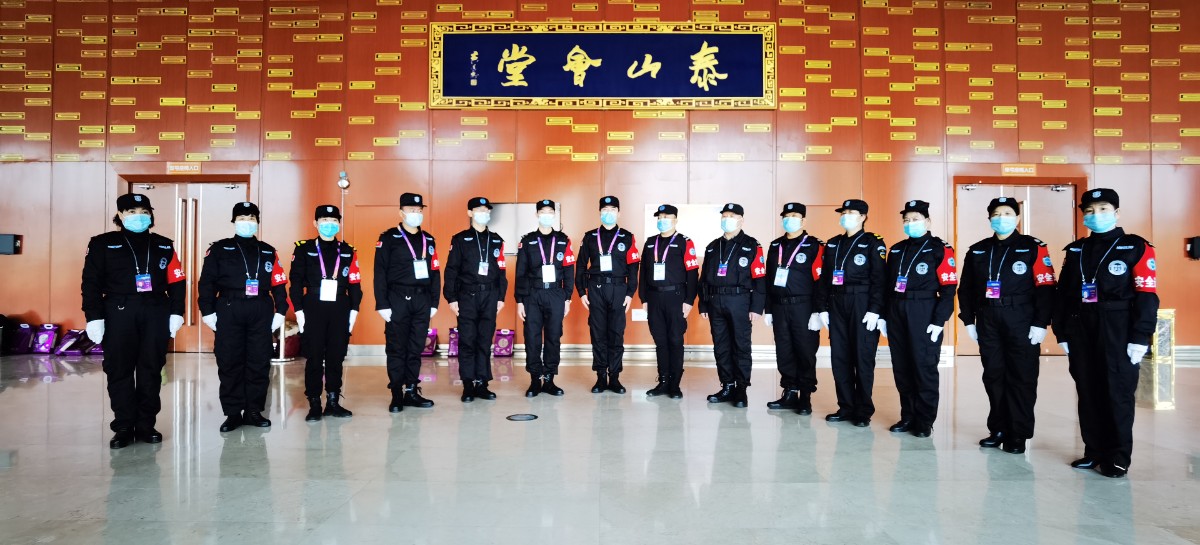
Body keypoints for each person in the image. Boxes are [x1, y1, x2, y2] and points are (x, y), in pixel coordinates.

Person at [1053, 188, 1159, 478]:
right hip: (1081, 326)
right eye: (1089, 210)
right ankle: (1094, 451)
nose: (1095, 215)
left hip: (1118, 326)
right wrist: (1061, 332)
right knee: (1088, 391)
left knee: (1117, 393)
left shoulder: (1135, 246)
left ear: (1116, 213)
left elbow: (1147, 294)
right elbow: (1063, 294)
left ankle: (1118, 456)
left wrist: (1140, 336)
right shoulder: (1076, 250)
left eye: (1103, 209)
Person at [81, 193, 186, 448]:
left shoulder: (164, 245)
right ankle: (124, 426)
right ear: (120, 215)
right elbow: (90, 283)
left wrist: (176, 312)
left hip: (155, 310)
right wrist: (94, 317)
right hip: (118, 311)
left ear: (151, 215)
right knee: (120, 369)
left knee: (151, 368)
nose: (138, 217)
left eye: (143, 211)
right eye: (131, 212)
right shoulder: (102, 243)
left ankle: (146, 424)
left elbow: (177, 281)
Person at [958, 197, 1057, 453]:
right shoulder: (978, 250)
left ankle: (1018, 434)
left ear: (1017, 218)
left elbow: (1046, 287)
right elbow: (965, 288)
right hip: (988, 318)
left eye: (1007, 213)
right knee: (993, 375)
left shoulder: (1033, 247)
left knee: (1021, 377)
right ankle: (998, 429)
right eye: (996, 214)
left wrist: (1040, 323)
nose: (1001, 218)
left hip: (1021, 318)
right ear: (989, 219)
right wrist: (968, 320)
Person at [198, 202, 289, 433]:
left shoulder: (268, 250)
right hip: (229, 306)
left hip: (260, 307)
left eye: (251, 218)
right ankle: (232, 413)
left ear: (257, 222)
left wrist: (281, 311)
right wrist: (207, 311)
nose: (247, 222)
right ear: (234, 221)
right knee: (230, 361)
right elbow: (206, 282)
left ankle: (253, 411)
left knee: (259, 361)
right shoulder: (219, 249)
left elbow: (279, 283)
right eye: (242, 218)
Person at [883, 200, 958, 438]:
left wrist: (939, 320)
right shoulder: (897, 249)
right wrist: (884, 316)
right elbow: (886, 286)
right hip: (897, 309)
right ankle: (908, 416)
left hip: (924, 309)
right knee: (902, 366)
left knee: (923, 366)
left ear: (928, 221)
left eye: (915, 219)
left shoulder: (940, 248)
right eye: (906, 220)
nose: (910, 223)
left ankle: (924, 420)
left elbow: (949, 288)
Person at [817, 199, 887, 427]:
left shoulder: (873, 242)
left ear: (863, 217)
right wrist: (822, 308)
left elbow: (880, 280)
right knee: (840, 358)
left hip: (862, 302)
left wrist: (875, 310)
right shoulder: (833, 244)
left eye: (851, 212)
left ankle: (863, 410)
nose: (845, 216)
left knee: (863, 358)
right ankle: (845, 406)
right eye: (843, 212)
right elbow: (824, 279)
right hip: (837, 302)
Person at [291, 205, 363, 422]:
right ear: (315, 223)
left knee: (336, 355)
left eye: (333, 220)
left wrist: (354, 310)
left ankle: (333, 401)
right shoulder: (303, 249)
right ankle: (314, 402)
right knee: (314, 356)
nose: (329, 224)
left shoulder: (348, 250)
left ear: (339, 224)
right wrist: (299, 310)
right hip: (313, 305)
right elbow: (295, 282)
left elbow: (355, 283)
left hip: (340, 305)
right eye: (324, 220)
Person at [375, 192, 441, 412]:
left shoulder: (428, 239)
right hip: (397, 299)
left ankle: (411, 390)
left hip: (422, 299)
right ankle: (396, 393)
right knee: (396, 347)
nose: (416, 213)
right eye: (412, 210)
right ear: (401, 212)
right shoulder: (388, 238)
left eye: (419, 210)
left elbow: (435, 272)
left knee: (415, 347)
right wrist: (382, 303)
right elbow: (379, 272)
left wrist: (434, 302)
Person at [698, 203, 766, 408]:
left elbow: (760, 278)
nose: (727, 219)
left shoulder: (752, 245)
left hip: (740, 301)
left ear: (741, 220)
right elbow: (704, 279)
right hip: (715, 301)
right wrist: (703, 305)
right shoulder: (712, 246)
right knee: (721, 346)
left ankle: (741, 389)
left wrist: (756, 307)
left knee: (741, 345)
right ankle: (727, 385)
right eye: (724, 215)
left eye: (732, 216)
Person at [444, 197, 509, 402]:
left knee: (484, 340)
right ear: (470, 213)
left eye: (486, 210)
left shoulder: (496, 240)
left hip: (490, 296)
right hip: (467, 296)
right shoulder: (460, 239)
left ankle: (482, 383)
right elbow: (451, 270)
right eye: (479, 210)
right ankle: (468, 384)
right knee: (467, 340)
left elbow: (502, 271)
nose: (484, 213)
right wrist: (451, 298)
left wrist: (501, 297)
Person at [575, 196, 641, 394]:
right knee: (598, 334)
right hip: (595, 289)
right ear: (599, 213)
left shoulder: (627, 237)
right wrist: (581, 291)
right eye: (605, 209)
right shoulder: (589, 237)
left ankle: (615, 377)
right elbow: (580, 265)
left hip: (619, 289)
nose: (608, 213)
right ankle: (600, 377)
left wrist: (630, 293)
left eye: (613, 209)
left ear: (619, 213)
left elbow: (633, 267)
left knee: (616, 334)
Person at [763, 202, 824, 414]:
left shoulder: (814, 245)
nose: (790, 220)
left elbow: (820, 281)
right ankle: (789, 392)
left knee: (805, 351)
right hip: (780, 307)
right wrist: (768, 308)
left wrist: (817, 311)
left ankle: (805, 396)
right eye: (786, 216)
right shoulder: (775, 245)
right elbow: (768, 279)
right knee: (784, 351)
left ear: (803, 220)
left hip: (804, 307)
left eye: (795, 216)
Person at [514, 199, 576, 397]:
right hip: (533, 294)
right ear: (537, 215)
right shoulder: (528, 241)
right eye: (543, 212)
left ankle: (549, 379)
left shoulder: (563, 240)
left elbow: (569, 270)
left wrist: (567, 298)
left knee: (553, 337)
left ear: (554, 215)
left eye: (550, 212)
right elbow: (520, 272)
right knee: (532, 337)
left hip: (556, 294)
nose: (546, 215)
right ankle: (535, 379)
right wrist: (519, 301)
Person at [639, 204, 700, 398]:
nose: (662, 220)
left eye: (666, 217)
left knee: (675, 340)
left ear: (675, 220)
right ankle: (663, 381)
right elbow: (644, 272)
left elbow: (692, 273)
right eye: (659, 217)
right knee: (660, 341)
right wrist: (643, 298)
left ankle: (675, 384)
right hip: (654, 298)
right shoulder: (650, 242)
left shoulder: (684, 242)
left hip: (676, 297)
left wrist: (689, 300)